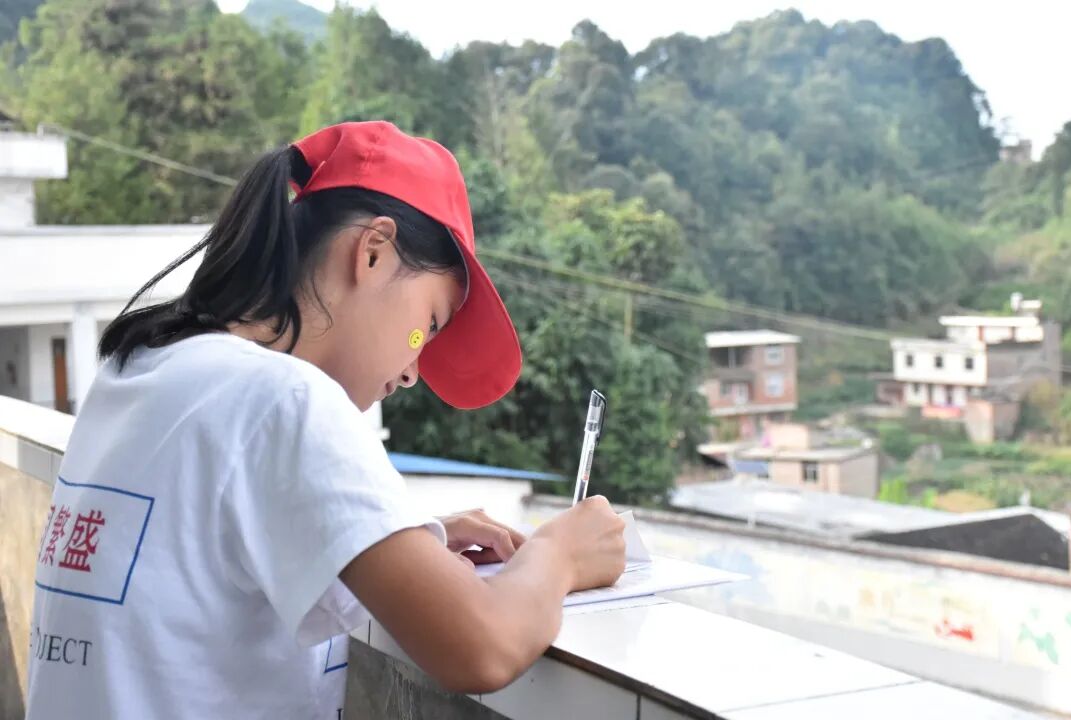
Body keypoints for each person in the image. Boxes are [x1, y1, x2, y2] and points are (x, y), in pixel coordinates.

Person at [25, 121, 626, 719]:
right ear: (372, 252)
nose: (413, 371)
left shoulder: (141, 367)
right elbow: (483, 647)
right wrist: (560, 553)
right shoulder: (286, 400)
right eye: (428, 325)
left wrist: (398, 538)